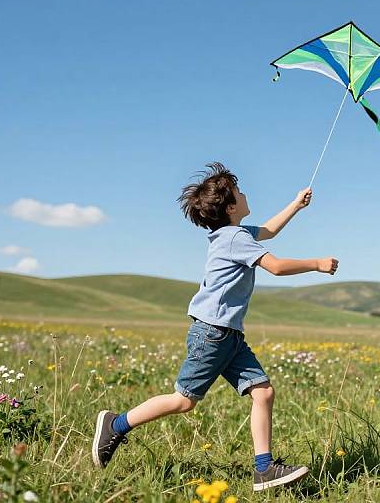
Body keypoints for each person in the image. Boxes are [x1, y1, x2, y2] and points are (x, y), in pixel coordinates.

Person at [92, 162, 339, 491]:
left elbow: (269, 230)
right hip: (211, 334)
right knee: (183, 401)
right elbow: (276, 267)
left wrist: (296, 204)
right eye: (239, 191)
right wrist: (317, 264)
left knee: (263, 393)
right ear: (231, 206)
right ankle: (116, 424)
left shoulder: (234, 234)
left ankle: (264, 470)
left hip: (229, 335)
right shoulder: (235, 238)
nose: (245, 192)